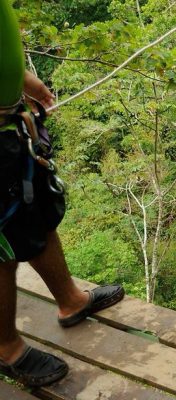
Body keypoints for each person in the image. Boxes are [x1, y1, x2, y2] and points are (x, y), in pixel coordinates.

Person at [0, 0, 124, 387]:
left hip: (11, 124)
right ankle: (6, 347)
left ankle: (70, 299)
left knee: (37, 215)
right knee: (0, 246)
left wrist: (21, 79)